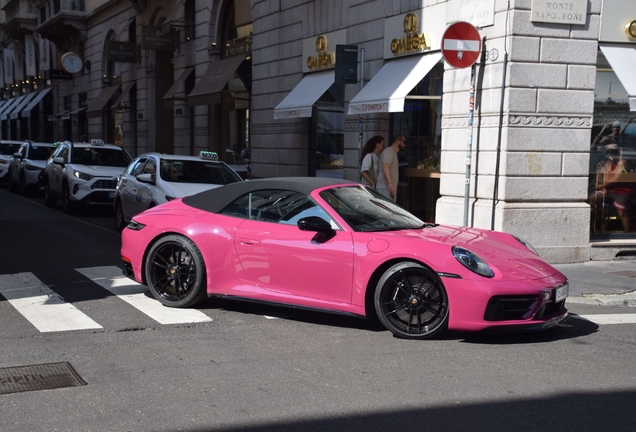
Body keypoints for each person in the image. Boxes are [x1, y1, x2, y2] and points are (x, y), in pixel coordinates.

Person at [590, 144, 635, 232]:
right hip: (610, 190)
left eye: (613, 152)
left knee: (622, 212)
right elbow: (602, 177)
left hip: (623, 192)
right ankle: (593, 228)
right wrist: (604, 188)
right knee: (591, 199)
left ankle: (628, 231)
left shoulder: (623, 162)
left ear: (617, 152)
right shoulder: (607, 163)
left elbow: (617, 179)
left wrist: (601, 186)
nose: (611, 154)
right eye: (609, 152)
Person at [376, 134, 406, 202]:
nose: (405, 145)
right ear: (398, 141)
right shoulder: (389, 151)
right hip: (385, 189)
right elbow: (385, 166)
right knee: (385, 211)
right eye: (404, 142)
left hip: (388, 190)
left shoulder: (393, 152)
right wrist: (390, 183)